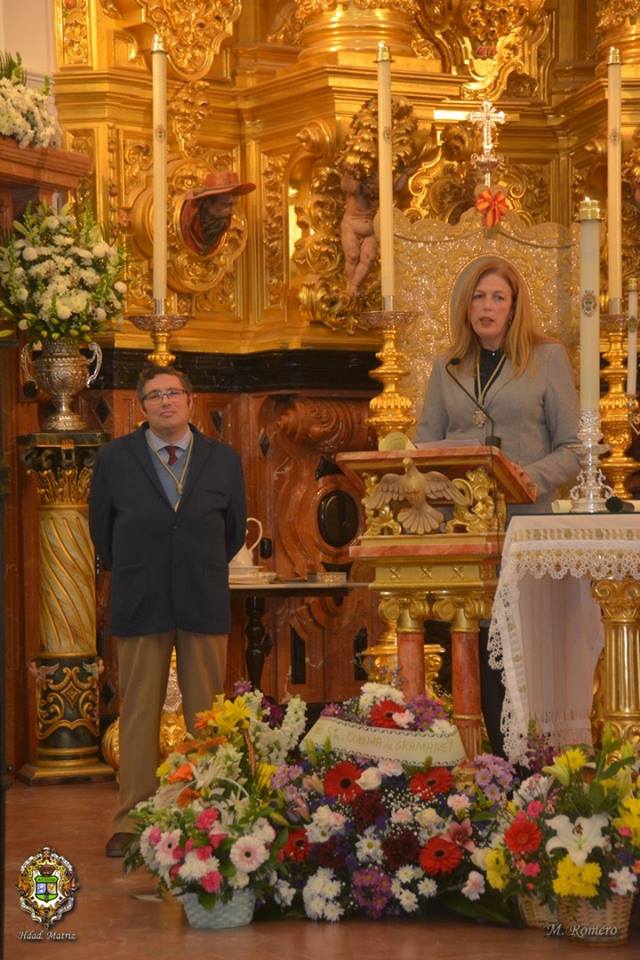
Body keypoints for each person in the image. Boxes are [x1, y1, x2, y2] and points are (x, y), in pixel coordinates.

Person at [416, 257, 580, 752]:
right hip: (465, 532)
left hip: (525, 526)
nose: (487, 307)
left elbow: (572, 448)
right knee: (475, 646)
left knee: (520, 651)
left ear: (513, 307)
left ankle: (533, 760)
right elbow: (424, 449)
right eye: (478, 297)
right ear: (465, 306)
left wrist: (529, 477)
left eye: (498, 298)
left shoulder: (547, 357)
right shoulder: (447, 367)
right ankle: (483, 761)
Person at [89, 364, 247, 857]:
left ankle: (212, 812)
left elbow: (233, 532)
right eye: (154, 395)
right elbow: (101, 532)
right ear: (142, 407)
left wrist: (191, 562)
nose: (165, 402)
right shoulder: (115, 458)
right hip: (141, 595)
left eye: (173, 393)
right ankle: (130, 820)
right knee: (138, 711)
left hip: (202, 594)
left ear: (190, 401)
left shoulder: (224, 460)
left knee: (209, 713)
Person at [179, 170, 255, 257]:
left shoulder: (223, 224)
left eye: (234, 204)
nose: (231, 211)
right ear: (206, 203)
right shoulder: (187, 224)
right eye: (224, 205)